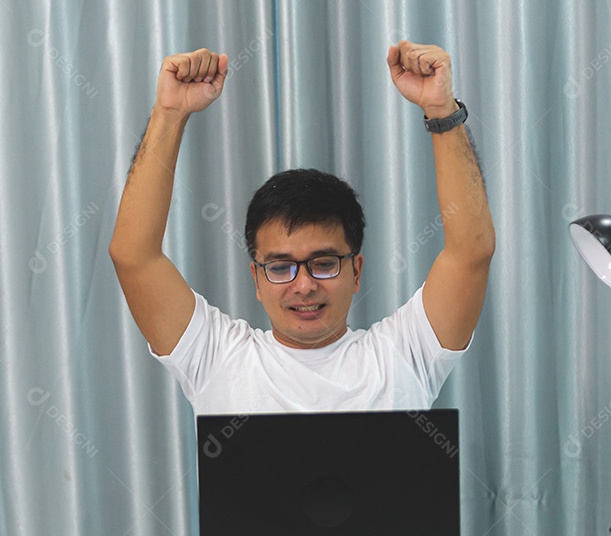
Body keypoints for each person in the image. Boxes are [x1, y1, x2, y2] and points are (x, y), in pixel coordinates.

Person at [110, 41, 495, 414]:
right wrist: (169, 113)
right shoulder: (216, 359)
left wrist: (441, 110)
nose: (304, 285)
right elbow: (134, 256)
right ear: (256, 280)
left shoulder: (405, 354)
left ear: (356, 270)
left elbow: (470, 253)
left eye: (324, 263)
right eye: (280, 267)